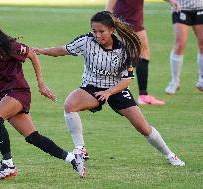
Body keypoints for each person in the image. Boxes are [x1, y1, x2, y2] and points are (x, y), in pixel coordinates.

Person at [34, 11, 185, 167]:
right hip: (91, 87)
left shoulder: (124, 50)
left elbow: (126, 80)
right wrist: (42, 51)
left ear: (111, 30)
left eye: (101, 31)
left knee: (143, 127)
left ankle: (170, 155)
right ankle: (80, 149)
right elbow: (64, 49)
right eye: (94, 31)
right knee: (70, 105)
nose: (97, 35)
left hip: (117, 89)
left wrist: (109, 92)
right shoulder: (86, 41)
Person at [0, 12, 86, 179]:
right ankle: (74, 159)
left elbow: (32, 54)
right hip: (4, 95)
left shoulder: (7, 44)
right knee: (33, 137)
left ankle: (7, 164)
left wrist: (41, 83)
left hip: (18, 91)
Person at [106, 0, 165, 105]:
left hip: (129, 19)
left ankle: (113, 89)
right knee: (138, 53)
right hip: (126, 19)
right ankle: (141, 95)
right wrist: (108, 21)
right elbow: (110, 5)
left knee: (132, 55)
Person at [164, 0, 203, 94]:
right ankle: (175, 81)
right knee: (180, 44)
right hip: (181, 8)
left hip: (201, 8)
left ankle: (202, 80)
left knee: (202, 44)